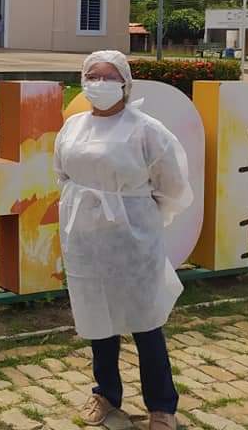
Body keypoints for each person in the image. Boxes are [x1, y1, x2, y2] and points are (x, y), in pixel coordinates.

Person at [55, 50, 193, 430]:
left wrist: (141, 219)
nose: (99, 83)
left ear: (125, 83)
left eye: (108, 76)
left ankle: (162, 406)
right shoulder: (73, 127)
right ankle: (106, 394)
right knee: (97, 317)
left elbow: (173, 187)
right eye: (93, 76)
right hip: (85, 241)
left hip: (132, 241)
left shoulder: (146, 129)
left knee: (145, 322)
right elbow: (62, 175)